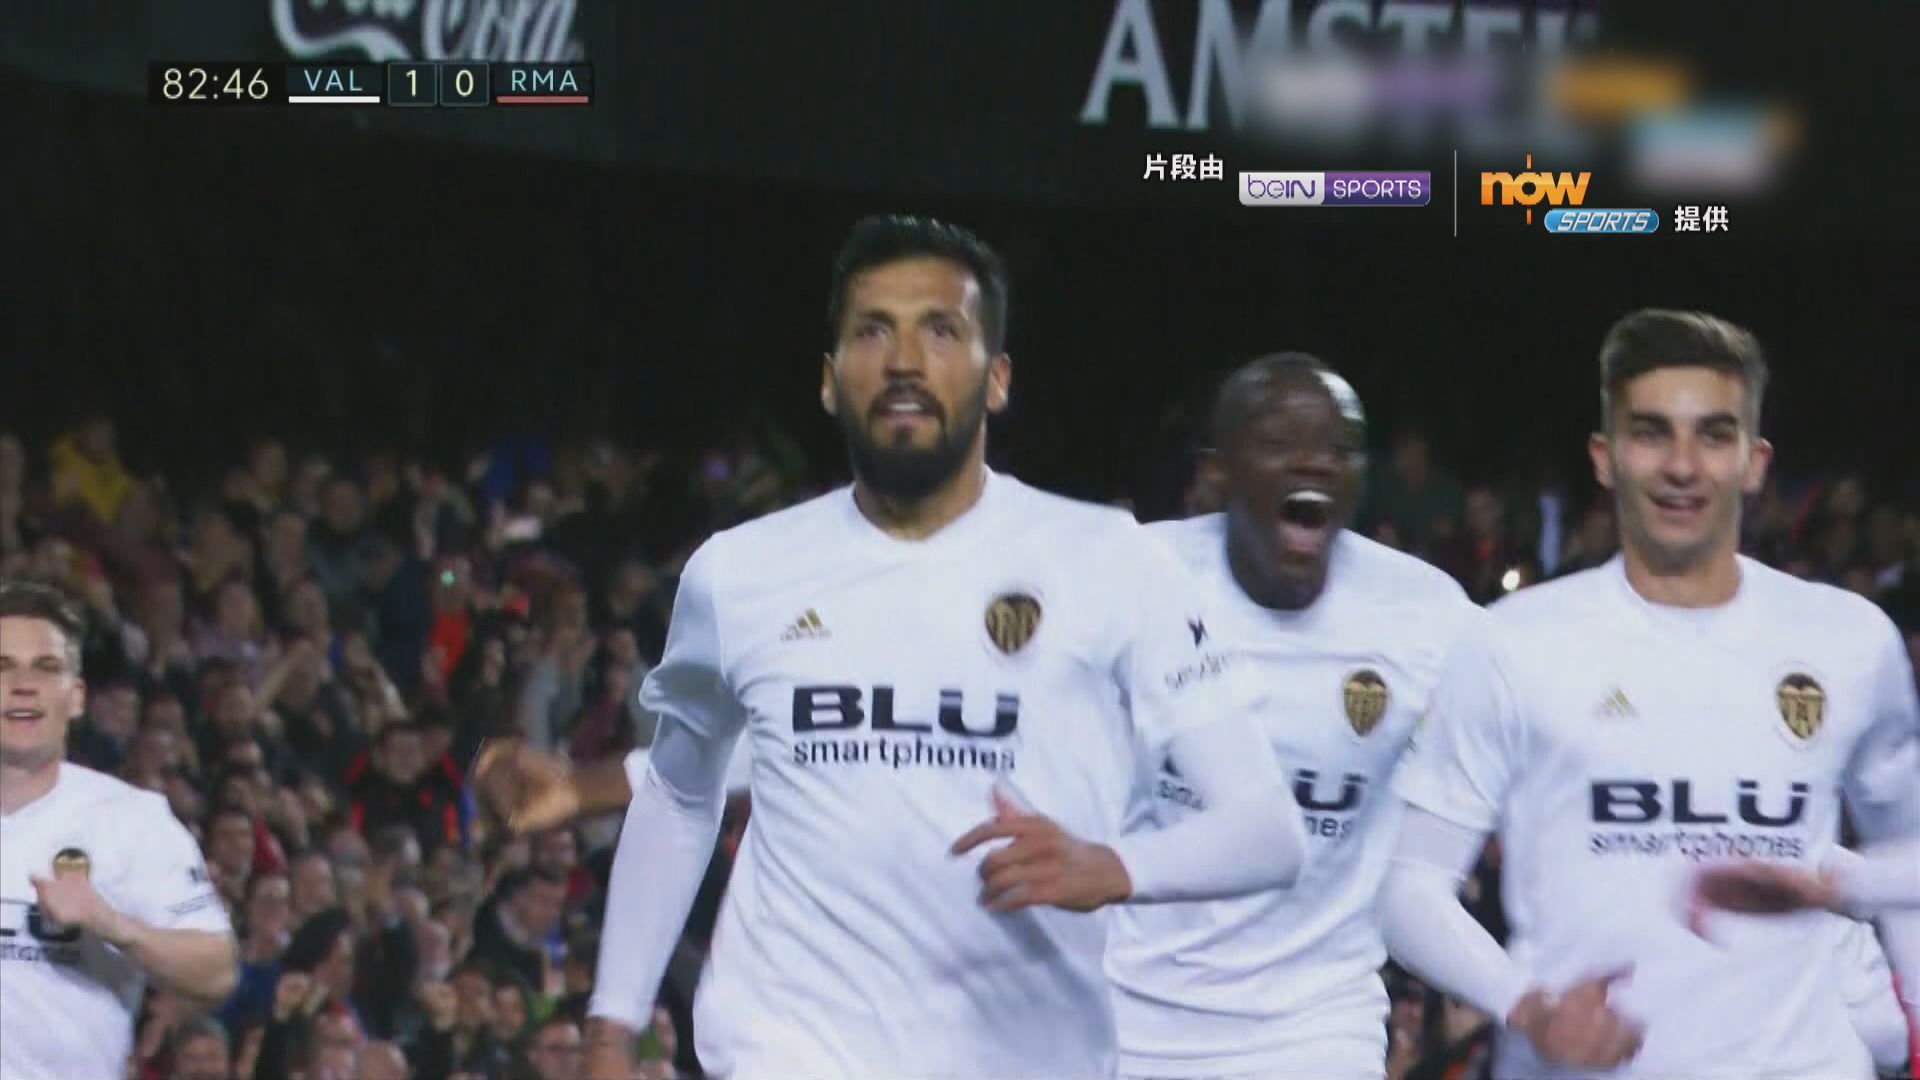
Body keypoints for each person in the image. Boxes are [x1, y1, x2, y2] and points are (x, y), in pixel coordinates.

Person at [486, 214, 1309, 1080]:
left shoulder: (1110, 561)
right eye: (873, 331)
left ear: (997, 379)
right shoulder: (738, 575)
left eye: (940, 331)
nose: (905, 360)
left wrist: (1114, 866)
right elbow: (683, 791)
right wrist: (611, 1029)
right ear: (830, 381)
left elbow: (1266, 829)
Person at [1381, 310, 1920, 1078]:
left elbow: (1908, 862)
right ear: (1605, 458)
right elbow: (1408, 887)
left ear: (1755, 462)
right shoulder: (1513, 642)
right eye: (1651, 433)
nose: (1682, 465)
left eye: (1714, 435)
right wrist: (1526, 1005)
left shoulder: (1850, 641)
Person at [1105, 354, 1480, 1080]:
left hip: (1317, 1027)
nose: (1315, 462)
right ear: (1219, 470)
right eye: (1280, 442)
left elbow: (1545, 733)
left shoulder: (1429, 615)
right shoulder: (1130, 579)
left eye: (1341, 447)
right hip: (1130, 1020)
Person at [0, 578, 239, 1079]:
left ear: (76, 697)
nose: (23, 684)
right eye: (3, 666)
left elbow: (217, 969)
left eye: (46, 668)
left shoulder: (131, 821)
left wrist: (113, 925)